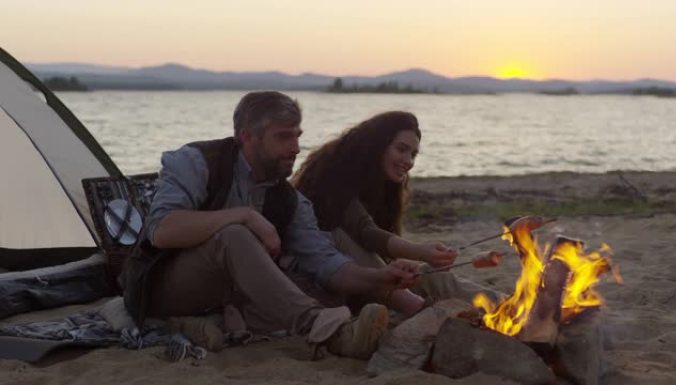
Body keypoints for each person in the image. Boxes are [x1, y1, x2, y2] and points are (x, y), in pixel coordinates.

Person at [122, 91, 422, 359]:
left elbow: (328, 265)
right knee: (234, 235)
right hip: (166, 285)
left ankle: (220, 321)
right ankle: (323, 328)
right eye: (283, 137)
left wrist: (381, 276)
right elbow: (162, 231)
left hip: (231, 291)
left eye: (297, 136)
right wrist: (245, 215)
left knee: (328, 287)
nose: (295, 148)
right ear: (248, 136)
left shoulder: (287, 198)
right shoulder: (198, 161)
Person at [293, 111, 468, 305]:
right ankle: (415, 305)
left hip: (371, 274)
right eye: (401, 149)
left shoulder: (385, 185)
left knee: (431, 275)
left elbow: (379, 243)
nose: (408, 161)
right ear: (377, 144)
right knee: (344, 238)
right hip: (327, 276)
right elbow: (365, 232)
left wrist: (415, 260)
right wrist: (420, 251)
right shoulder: (335, 171)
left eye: (413, 154)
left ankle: (503, 305)